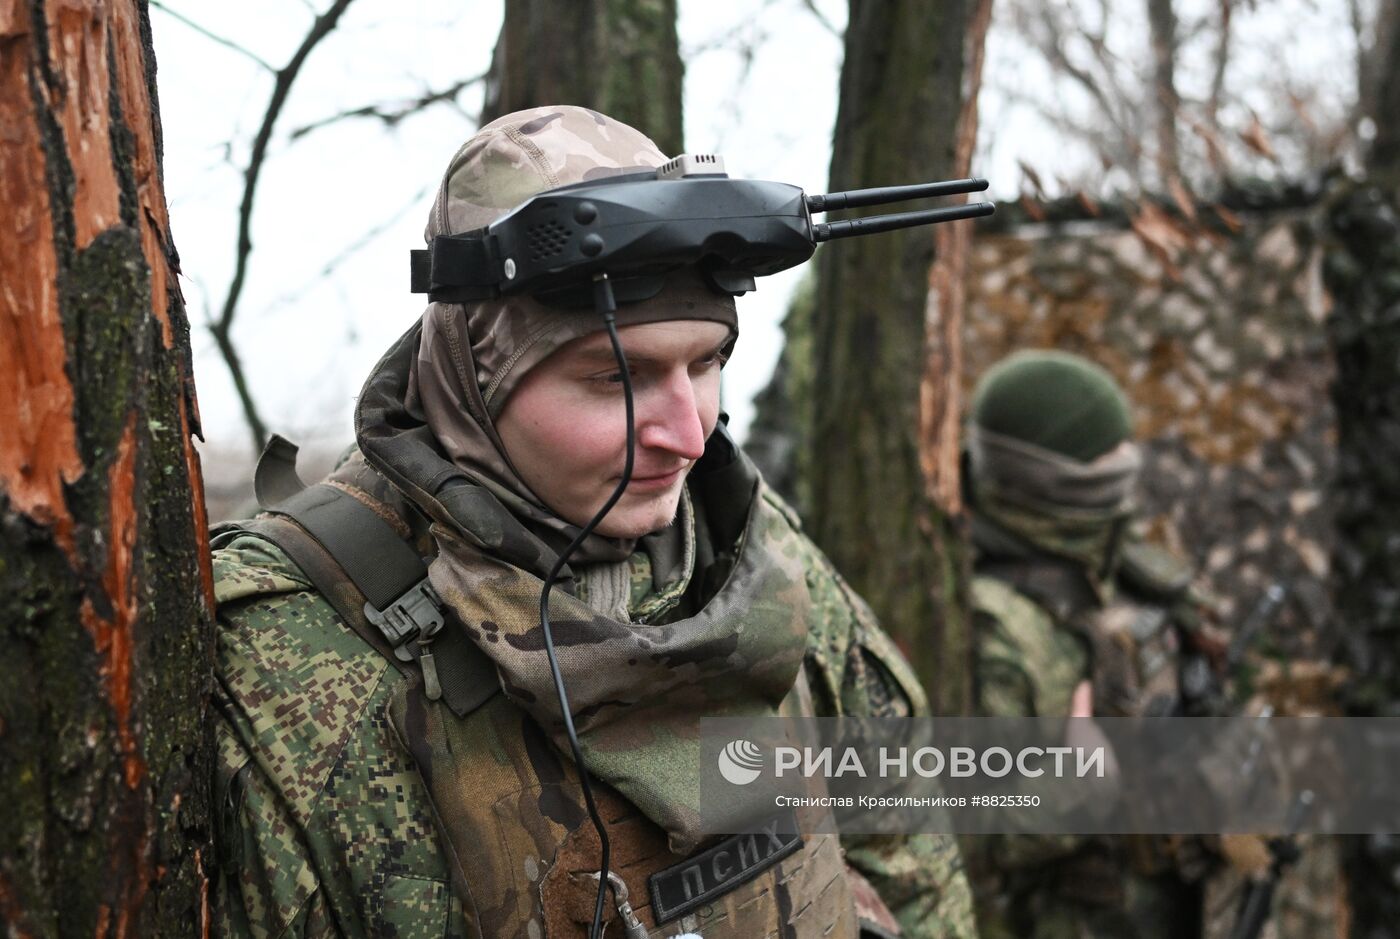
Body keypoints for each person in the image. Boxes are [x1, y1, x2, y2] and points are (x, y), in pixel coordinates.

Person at [210, 106, 976, 938]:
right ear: (479, 376)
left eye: (707, 362)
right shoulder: (294, 653)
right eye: (618, 376)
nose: (688, 434)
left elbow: (908, 853)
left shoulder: (747, 548)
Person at [959, 350, 1222, 939]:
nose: (1126, 467)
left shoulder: (1112, 561)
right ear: (1059, 478)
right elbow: (963, 828)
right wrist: (1080, 781)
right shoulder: (992, 623)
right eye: (1108, 461)